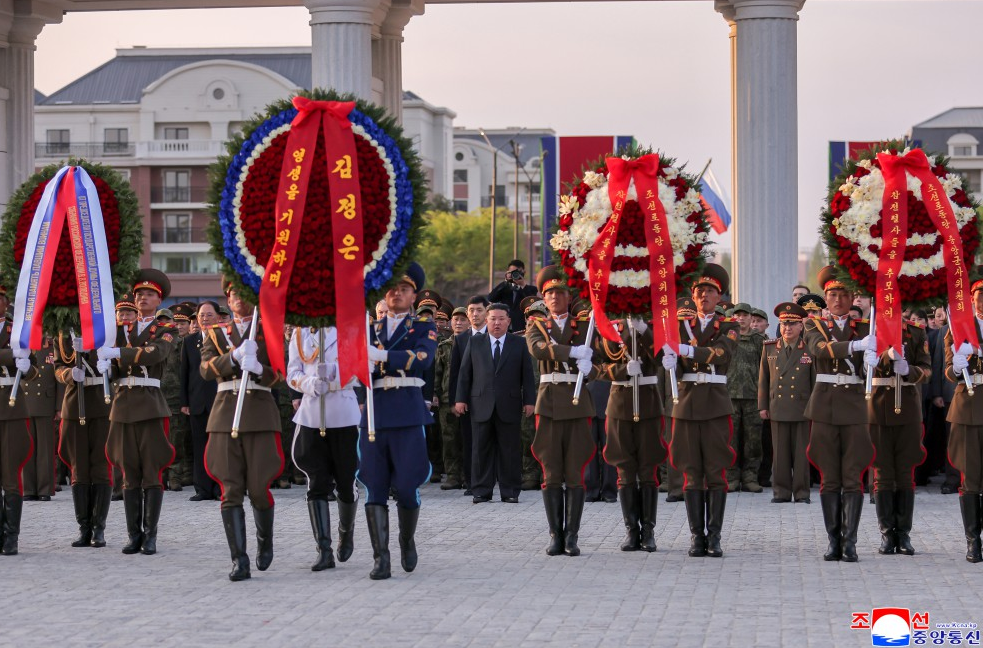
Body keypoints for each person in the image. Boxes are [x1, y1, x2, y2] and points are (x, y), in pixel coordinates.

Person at [200, 282, 284, 581]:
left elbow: (280, 374)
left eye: (245, 293)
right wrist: (232, 358)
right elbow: (205, 369)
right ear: (228, 299)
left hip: (259, 413)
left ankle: (264, 541)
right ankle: (239, 559)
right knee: (230, 489)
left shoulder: (268, 330)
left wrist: (259, 369)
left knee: (259, 488)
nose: (238, 298)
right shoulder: (216, 332)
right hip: (226, 414)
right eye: (234, 294)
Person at [359, 262, 437, 580]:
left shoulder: (423, 327)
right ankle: (381, 557)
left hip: (406, 411)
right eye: (392, 288)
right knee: (374, 485)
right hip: (375, 412)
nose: (397, 293)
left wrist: (382, 357)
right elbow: (353, 369)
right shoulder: (368, 330)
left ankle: (406, 539)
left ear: (413, 296)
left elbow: (423, 357)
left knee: (406, 486)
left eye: (404, 289)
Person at [98, 270, 177, 556]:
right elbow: (115, 364)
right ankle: (134, 535)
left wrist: (118, 353)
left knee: (151, 472)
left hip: (150, 403)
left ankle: (150, 535)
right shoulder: (120, 329)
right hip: (123, 405)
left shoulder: (166, 328)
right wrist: (106, 365)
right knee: (128, 473)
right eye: (139, 294)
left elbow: (156, 353)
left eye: (149, 294)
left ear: (159, 300)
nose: (143, 298)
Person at [665, 263, 738, 558]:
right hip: (686, 404)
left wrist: (686, 351)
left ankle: (715, 536)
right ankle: (697, 536)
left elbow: (721, 353)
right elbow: (678, 366)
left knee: (716, 471)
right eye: (699, 291)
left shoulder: (729, 327)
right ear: (693, 296)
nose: (704, 295)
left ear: (719, 297)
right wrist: (670, 362)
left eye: (710, 291)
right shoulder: (679, 325)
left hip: (715, 404)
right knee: (692, 472)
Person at [802, 266, 874, 562]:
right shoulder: (813, 325)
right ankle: (834, 540)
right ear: (826, 298)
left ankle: (850, 541)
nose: (838, 300)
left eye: (844, 294)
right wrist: (856, 346)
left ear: (852, 297)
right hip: (825, 405)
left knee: (852, 476)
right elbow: (819, 350)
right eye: (832, 294)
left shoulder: (867, 327)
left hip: (855, 405)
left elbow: (873, 365)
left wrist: (875, 358)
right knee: (829, 476)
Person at [525, 265, 598, 557]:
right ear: (544, 298)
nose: (555, 297)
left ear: (569, 296)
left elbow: (599, 358)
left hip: (577, 403)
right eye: (550, 293)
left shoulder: (585, 325)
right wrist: (572, 352)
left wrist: (590, 367)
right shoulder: (537, 325)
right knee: (551, 471)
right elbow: (538, 349)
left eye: (560, 292)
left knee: (575, 471)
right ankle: (555, 534)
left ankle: (572, 536)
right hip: (550, 403)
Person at [287, 324, 360, 571]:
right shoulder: (300, 333)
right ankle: (323, 549)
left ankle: (346, 531)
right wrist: (308, 383)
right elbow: (292, 371)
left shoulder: (350, 329)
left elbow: (361, 370)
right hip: (312, 413)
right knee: (316, 482)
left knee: (346, 482)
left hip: (343, 411)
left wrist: (335, 374)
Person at [598, 314, 668, 552]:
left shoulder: (654, 326)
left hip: (648, 402)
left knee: (648, 468)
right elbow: (595, 365)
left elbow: (662, 358)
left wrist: (644, 330)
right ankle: (631, 530)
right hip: (619, 403)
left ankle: (648, 531)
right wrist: (621, 371)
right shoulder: (609, 327)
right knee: (624, 469)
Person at [454, 302, 535, 504]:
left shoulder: (519, 343)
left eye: (501, 319)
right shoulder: (475, 342)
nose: (496, 323)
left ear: (509, 321)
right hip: (480, 404)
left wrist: (529, 401)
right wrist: (460, 399)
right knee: (480, 449)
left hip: (509, 404)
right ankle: (481, 490)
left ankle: (510, 491)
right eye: (492, 319)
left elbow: (527, 375)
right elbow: (465, 374)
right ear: (486, 320)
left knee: (510, 449)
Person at [867, 315, 931, 556]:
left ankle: (903, 533)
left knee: (905, 472)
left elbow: (927, 370)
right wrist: (886, 357)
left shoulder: (916, 331)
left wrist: (909, 370)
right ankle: (886, 533)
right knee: (882, 472)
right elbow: (864, 367)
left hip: (908, 408)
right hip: (878, 408)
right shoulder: (869, 329)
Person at [54, 328, 113, 549]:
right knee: (79, 468)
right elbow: (58, 367)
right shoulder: (64, 332)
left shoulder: (104, 328)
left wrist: (94, 354)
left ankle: (99, 528)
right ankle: (84, 528)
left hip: (101, 402)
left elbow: (115, 363)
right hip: (74, 403)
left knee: (101, 467)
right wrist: (69, 374)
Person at [758, 303, 815, 504]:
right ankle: (781, 492)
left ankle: (801, 492)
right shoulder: (769, 347)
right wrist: (763, 406)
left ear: (801, 326)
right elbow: (763, 379)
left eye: (792, 324)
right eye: (784, 324)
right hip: (778, 406)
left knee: (801, 453)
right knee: (779, 453)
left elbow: (814, 381)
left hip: (801, 407)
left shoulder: (809, 348)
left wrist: (815, 407)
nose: (787, 328)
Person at [944, 276, 983, 563]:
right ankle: (973, 541)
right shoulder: (958, 329)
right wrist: (957, 368)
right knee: (970, 477)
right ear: (971, 300)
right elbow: (948, 370)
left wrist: (979, 351)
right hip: (968, 407)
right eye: (979, 296)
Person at [0, 305, 38, 555]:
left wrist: (25, 366)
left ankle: (11, 536)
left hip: (11, 407)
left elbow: (33, 371)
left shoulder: (17, 332)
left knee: (11, 474)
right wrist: (9, 356)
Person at [180, 301, 220, 501]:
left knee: (219, 445)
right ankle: (202, 488)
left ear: (218, 317)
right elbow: (184, 373)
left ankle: (220, 487)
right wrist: (184, 401)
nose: (204, 319)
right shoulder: (189, 341)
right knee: (199, 446)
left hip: (220, 400)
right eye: (201, 315)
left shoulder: (223, 339)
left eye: (209, 315)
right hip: (196, 401)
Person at [448, 295, 488, 495]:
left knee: (490, 441)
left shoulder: (495, 335)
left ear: (486, 312)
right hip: (468, 399)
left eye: (479, 310)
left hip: (490, 397)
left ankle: (491, 480)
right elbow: (455, 372)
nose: (474, 314)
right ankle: (472, 482)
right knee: (469, 441)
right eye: (471, 310)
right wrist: (455, 400)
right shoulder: (462, 338)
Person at [726, 303, 765, 493]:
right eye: (738, 315)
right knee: (730, 438)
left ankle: (750, 477)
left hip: (753, 396)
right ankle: (731, 477)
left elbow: (765, 368)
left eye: (745, 315)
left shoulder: (759, 340)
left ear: (751, 318)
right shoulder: (726, 337)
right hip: (729, 396)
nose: (741, 318)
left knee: (753, 440)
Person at [22, 336, 60, 501]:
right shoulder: (22, 344)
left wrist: (59, 406)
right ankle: (28, 489)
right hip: (24, 402)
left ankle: (45, 489)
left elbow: (59, 378)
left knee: (45, 449)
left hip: (46, 401)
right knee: (26, 448)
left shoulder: (52, 346)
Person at [435, 306, 468, 490]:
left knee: (467, 438)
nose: (459, 323)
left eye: (463, 319)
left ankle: (467, 474)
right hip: (447, 399)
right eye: (456, 319)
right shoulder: (444, 346)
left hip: (469, 399)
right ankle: (453, 475)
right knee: (449, 439)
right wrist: (435, 393)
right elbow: (437, 372)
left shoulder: (474, 342)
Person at [487, 259, 539, 333]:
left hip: (522, 328)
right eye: (512, 272)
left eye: (517, 272)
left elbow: (532, 303)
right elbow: (491, 298)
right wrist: (505, 282)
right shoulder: (504, 288)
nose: (514, 274)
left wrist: (522, 285)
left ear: (523, 272)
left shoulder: (531, 289)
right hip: (505, 328)